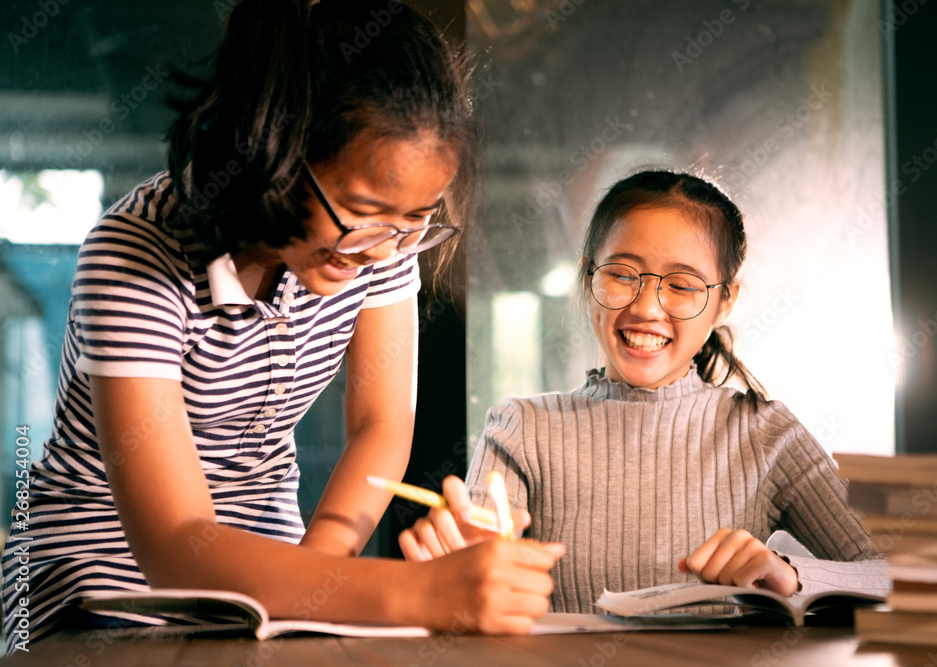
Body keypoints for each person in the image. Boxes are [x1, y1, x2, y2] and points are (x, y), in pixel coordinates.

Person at [1, 1, 563, 650]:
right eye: (365, 212)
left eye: (416, 220)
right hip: (101, 580)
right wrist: (426, 592)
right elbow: (176, 548)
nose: (387, 249)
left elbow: (381, 424)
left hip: (269, 572)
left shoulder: (377, 241)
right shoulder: (136, 255)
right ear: (277, 152)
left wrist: (319, 582)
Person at [399, 170, 890, 613]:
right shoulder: (522, 428)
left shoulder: (765, 434)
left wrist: (791, 573)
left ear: (725, 301)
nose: (647, 308)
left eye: (681, 285)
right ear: (589, 275)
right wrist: (454, 565)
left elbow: (895, 575)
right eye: (621, 275)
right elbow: (471, 563)